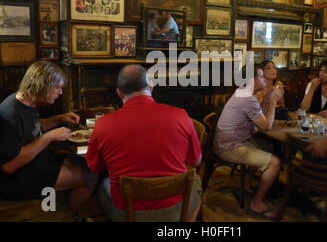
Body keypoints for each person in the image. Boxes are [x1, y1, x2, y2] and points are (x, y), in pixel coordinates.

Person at [86, 65, 202, 222]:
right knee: (196, 182)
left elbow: (95, 167)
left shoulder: (102, 124)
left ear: (119, 92)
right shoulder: (180, 115)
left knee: (103, 184)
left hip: (126, 213)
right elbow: (195, 161)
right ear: (151, 86)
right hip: (173, 209)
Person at [0, 61, 98, 221]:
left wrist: (58, 118)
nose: (60, 92)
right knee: (92, 175)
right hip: (17, 180)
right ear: (42, 85)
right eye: (57, 87)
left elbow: (33, 127)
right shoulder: (9, 114)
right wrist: (49, 137)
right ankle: (70, 216)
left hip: (38, 163)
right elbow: (9, 166)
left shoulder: (27, 102)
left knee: (83, 163)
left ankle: (69, 211)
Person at [214, 65, 283, 219]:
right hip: (229, 147)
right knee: (275, 162)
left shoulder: (243, 93)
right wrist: (273, 102)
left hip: (229, 141)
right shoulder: (247, 99)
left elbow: (260, 117)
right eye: (261, 76)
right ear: (252, 80)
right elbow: (266, 126)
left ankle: (244, 185)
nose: (264, 79)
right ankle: (257, 203)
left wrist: (266, 99)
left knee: (267, 147)